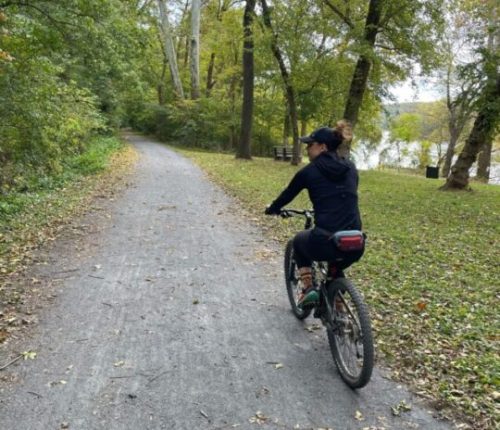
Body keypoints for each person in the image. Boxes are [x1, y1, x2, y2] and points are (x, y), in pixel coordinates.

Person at [265, 121, 364, 308]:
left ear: (322, 147)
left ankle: (308, 289)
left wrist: (273, 208)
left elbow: (288, 194)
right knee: (336, 267)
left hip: (325, 240)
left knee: (298, 242)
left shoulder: (309, 172)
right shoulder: (351, 168)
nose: (307, 149)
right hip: (356, 242)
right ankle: (338, 307)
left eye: (310, 145)